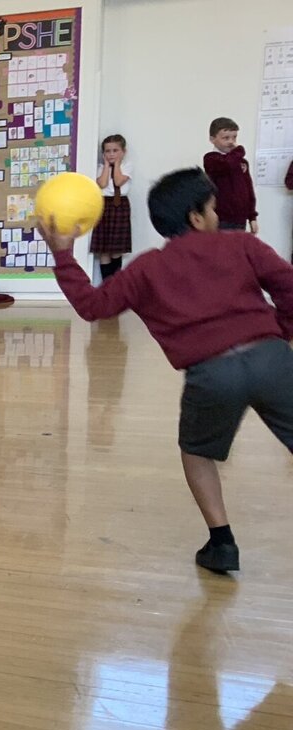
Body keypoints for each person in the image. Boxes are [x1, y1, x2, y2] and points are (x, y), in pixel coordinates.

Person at [41, 168, 293, 574]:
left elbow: (93, 306)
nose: (217, 216)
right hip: (271, 359)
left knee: (197, 453)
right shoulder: (242, 244)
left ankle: (222, 544)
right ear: (196, 217)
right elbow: (288, 287)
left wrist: (63, 255)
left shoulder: (147, 268)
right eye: (213, 208)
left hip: (211, 375)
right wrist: (281, 333)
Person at [203, 117, 258, 233]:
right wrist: (239, 150)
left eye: (234, 137)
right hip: (221, 220)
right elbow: (227, 164)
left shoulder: (242, 162)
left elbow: (248, 190)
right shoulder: (211, 159)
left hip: (240, 220)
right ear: (212, 139)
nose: (231, 141)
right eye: (226, 138)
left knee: (237, 250)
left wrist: (252, 217)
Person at [90, 134, 133, 279]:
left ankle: (116, 282)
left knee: (116, 248)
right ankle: (106, 283)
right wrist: (107, 166)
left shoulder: (126, 166)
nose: (111, 154)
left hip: (119, 205)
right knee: (104, 249)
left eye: (115, 150)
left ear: (123, 152)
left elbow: (119, 181)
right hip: (103, 204)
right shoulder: (101, 168)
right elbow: (101, 184)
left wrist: (117, 165)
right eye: (107, 151)